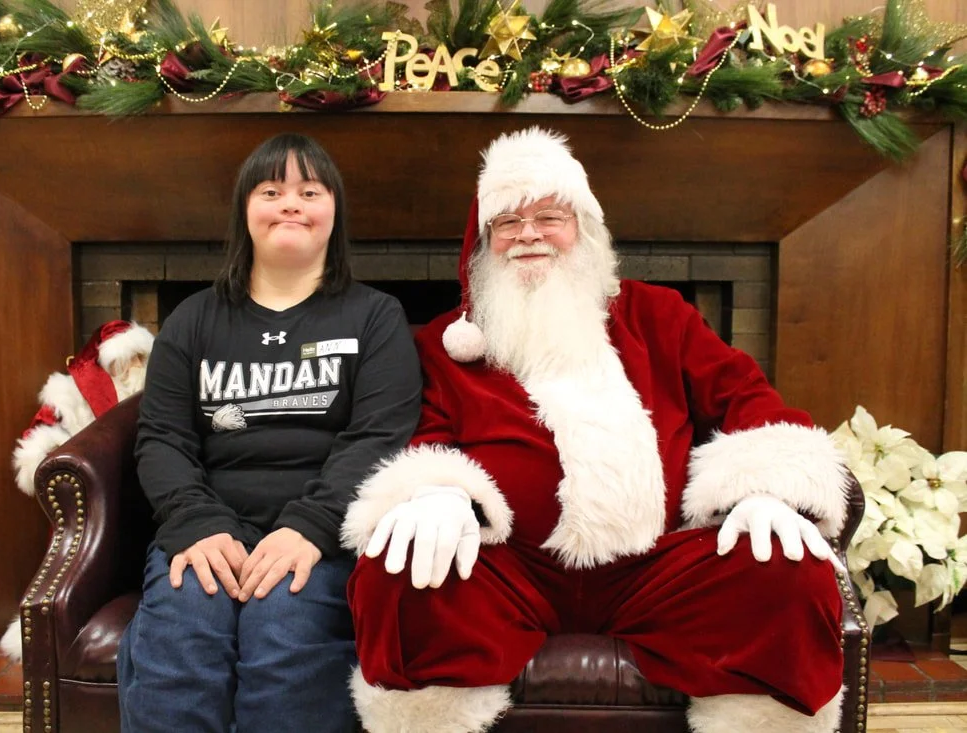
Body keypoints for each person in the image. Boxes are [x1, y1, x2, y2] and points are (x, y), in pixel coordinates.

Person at [342, 127, 850, 733]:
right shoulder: (446, 345)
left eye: (548, 216)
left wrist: (768, 489)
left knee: (784, 572)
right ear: (481, 245)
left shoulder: (660, 315)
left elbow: (747, 398)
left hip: (655, 570)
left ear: (582, 228)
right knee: (402, 570)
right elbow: (426, 432)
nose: (527, 234)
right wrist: (437, 491)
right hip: (511, 572)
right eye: (506, 222)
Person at [118, 133, 421, 733]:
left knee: (286, 635)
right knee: (180, 642)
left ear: (333, 213)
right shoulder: (194, 319)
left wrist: (307, 530)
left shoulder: (376, 318)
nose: (291, 203)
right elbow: (161, 438)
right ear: (245, 212)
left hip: (322, 540)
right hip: (206, 532)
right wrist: (199, 525)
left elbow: (377, 439)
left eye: (310, 191)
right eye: (271, 190)